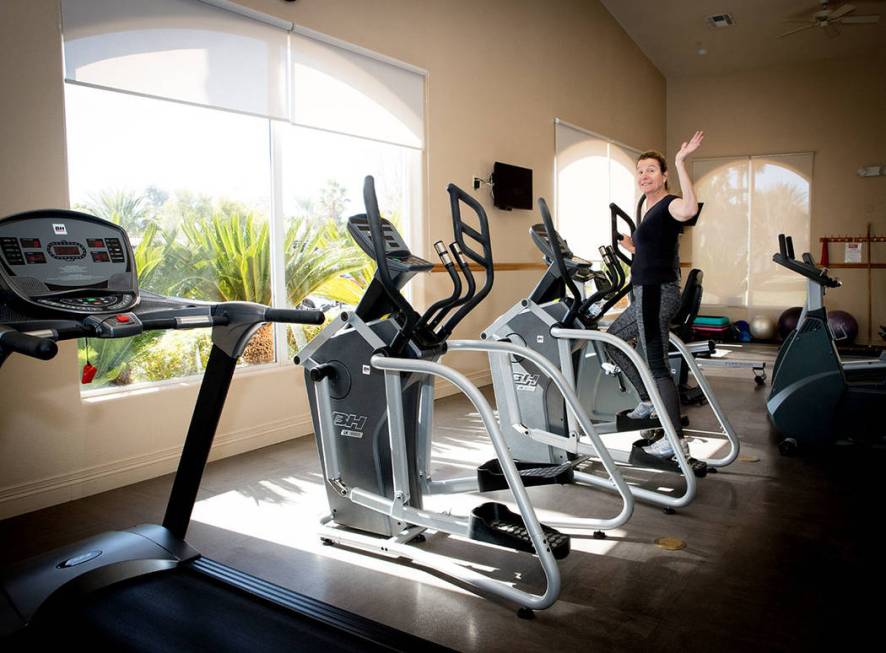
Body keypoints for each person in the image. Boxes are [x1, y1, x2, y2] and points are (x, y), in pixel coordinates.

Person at [605, 131, 704, 460]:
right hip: (644, 291)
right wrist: (630, 246)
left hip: (655, 294)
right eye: (640, 170)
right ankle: (648, 402)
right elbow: (653, 252)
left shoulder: (669, 203)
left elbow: (690, 208)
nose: (644, 175)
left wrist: (680, 161)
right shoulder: (645, 207)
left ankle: (674, 439)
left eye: (651, 169)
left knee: (657, 363)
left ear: (663, 176)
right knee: (613, 342)